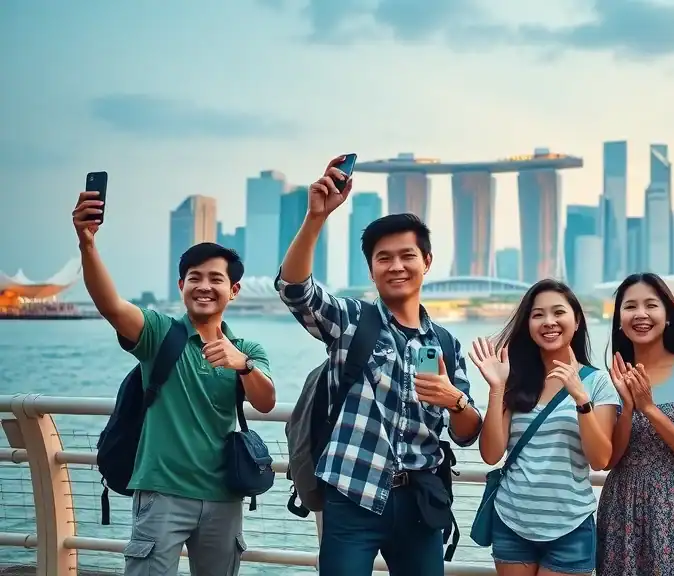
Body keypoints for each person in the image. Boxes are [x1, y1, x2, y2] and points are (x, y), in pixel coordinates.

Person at [276, 156, 483, 576]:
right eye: (383, 258)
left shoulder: (445, 342)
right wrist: (316, 218)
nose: (396, 266)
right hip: (353, 493)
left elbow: (466, 434)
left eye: (407, 255)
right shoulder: (352, 322)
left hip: (421, 504)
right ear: (372, 270)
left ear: (427, 261)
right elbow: (295, 291)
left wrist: (456, 401)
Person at [72, 193, 276, 576]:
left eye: (216, 279)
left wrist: (242, 365)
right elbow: (111, 306)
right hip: (161, 493)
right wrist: (87, 242)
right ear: (181, 285)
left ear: (233, 290)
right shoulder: (159, 334)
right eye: (194, 278)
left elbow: (265, 402)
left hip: (224, 497)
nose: (204, 286)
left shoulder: (248, 348)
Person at [473, 279, 619, 576]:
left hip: (570, 525)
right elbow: (490, 454)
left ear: (576, 321)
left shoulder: (597, 383)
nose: (548, 322)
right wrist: (496, 388)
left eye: (558, 313)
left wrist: (581, 399)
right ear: (528, 323)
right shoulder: (514, 378)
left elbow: (601, 459)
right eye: (538, 314)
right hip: (512, 521)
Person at [596, 273, 674, 576]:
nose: (641, 314)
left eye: (651, 305)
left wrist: (648, 408)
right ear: (619, 318)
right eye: (630, 307)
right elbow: (609, 460)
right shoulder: (611, 376)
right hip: (620, 505)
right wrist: (628, 407)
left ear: (667, 316)